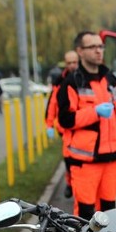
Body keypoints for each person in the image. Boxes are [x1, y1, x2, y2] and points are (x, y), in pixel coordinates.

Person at [57, 31, 116, 220]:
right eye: (93, 47)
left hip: (111, 159)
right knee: (85, 214)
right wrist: (94, 113)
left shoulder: (111, 80)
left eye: (100, 46)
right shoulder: (72, 82)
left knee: (109, 213)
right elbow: (65, 120)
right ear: (80, 51)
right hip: (86, 163)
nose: (99, 51)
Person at [45, 50, 79, 198]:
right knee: (68, 158)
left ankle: (75, 185)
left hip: (81, 125)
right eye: (69, 63)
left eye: (74, 62)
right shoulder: (60, 81)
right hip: (66, 128)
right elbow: (52, 104)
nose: (72, 65)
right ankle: (70, 184)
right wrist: (49, 125)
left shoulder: (84, 78)